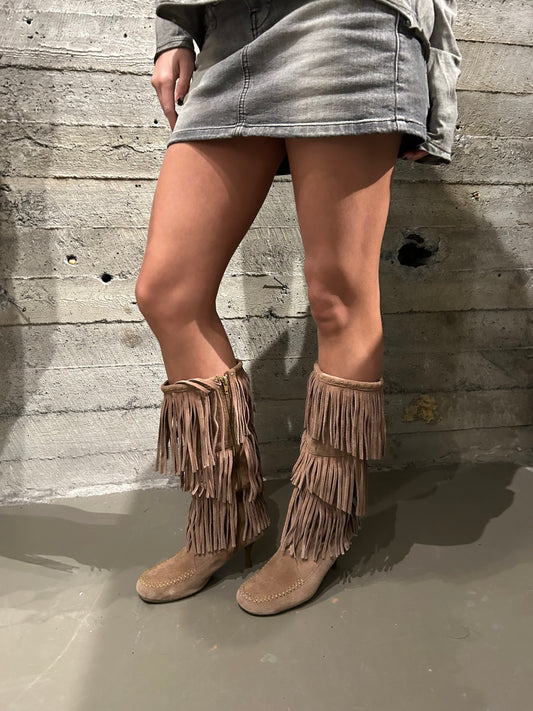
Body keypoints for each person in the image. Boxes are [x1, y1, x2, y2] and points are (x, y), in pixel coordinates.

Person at [135, 0, 462, 615]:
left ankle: (319, 527)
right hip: (231, 33)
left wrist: (434, 84)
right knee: (167, 292)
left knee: (338, 298)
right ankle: (224, 513)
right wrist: (174, 31)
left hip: (344, 23)